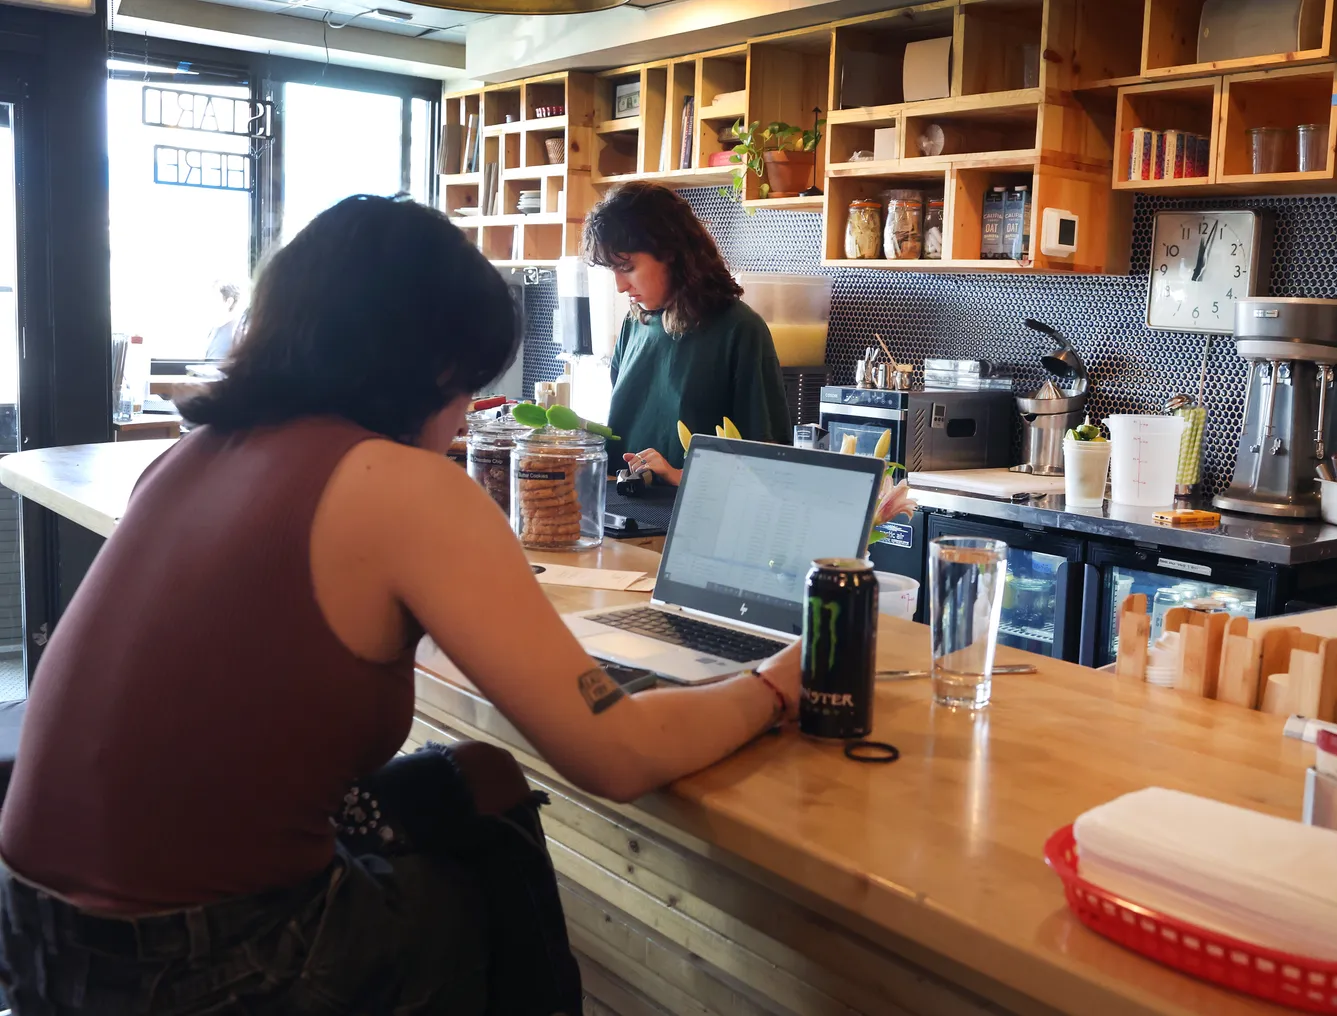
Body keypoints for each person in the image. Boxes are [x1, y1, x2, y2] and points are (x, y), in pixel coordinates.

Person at [0, 195, 801, 1015]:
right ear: (429, 367)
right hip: (204, 964)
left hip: (35, 941)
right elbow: (617, 754)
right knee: (500, 888)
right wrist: (778, 685)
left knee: (478, 777)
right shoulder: (401, 487)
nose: (461, 422)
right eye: (464, 392)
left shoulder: (189, 457)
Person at [582, 182, 790, 486]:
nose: (620, 286)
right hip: (622, 518)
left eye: (626, 267)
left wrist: (679, 476)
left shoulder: (740, 331)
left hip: (694, 523)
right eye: (611, 270)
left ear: (669, 252)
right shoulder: (634, 325)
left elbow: (769, 466)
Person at [204, 280, 246, 360]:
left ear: (228, 302)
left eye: (214, 298)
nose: (209, 302)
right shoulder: (213, 330)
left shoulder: (236, 334)